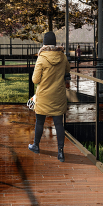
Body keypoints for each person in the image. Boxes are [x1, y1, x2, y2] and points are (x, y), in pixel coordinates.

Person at [28, 32, 71, 162]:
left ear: (44, 44)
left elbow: (35, 80)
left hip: (44, 96)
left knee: (40, 122)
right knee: (58, 124)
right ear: (55, 43)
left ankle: (36, 145)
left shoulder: (41, 58)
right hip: (58, 95)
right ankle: (61, 152)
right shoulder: (62, 57)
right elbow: (67, 70)